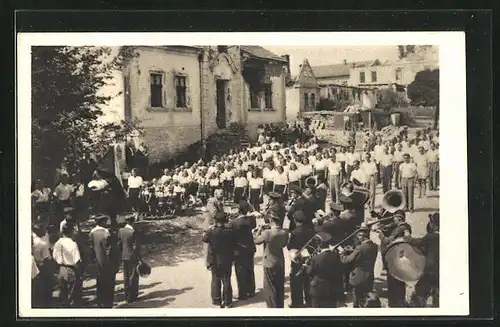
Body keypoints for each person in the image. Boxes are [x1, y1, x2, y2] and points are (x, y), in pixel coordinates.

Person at [254, 212, 289, 308]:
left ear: (271, 220)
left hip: (269, 262)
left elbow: (256, 240)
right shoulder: (284, 232)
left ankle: (272, 307)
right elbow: (284, 245)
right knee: (279, 286)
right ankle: (279, 305)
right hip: (280, 261)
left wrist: (259, 230)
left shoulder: (267, 233)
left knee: (269, 287)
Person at [377, 211, 412, 308]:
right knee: (400, 281)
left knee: (393, 282)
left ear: (399, 218)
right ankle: (400, 301)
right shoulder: (406, 226)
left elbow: (388, 241)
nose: (393, 219)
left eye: (395, 218)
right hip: (401, 258)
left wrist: (381, 234)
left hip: (394, 259)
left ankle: (394, 303)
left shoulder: (400, 229)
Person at [339, 226, 378, 308]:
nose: (357, 238)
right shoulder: (374, 246)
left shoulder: (360, 248)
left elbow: (347, 260)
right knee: (367, 298)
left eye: (359, 236)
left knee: (356, 298)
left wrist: (343, 253)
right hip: (369, 275)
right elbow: (363, 256)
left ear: (363, 236)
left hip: (358, 276)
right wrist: (354, 251)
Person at [203, 211, 235, 308]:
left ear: (216, 221)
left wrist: (210, 229)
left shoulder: (212, 232)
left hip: (215, 260)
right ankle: (227, 301)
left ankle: (217, 300)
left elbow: (204, 239)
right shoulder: (230, 231)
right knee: (227, 280)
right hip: (227, 259)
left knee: (216, 280)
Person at [407, 212, 439, 307]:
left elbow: (417, 242)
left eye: (431, 222)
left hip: (430, 270)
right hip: (440, 270)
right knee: (437, 292)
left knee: (420, 291)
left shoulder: (431, 236)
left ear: (434, 225)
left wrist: (408, 237)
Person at [287, 210, 316, 308]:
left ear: (295, 220)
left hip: (298, 259)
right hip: (309, 258)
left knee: (296, 282)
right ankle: (309, 301)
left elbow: (290, 246)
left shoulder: (295, 232)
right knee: (308, 280)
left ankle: (296, 303)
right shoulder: (311, 230)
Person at [230, 201, 257, 300]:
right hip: (250, 247)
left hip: (239, 249)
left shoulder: (234, 223)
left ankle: (243, 293)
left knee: (240, 272)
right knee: (250, 269)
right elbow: (253, 220)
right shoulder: (251, 220)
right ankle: (251, 290)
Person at [307, 239, 345, 308]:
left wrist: (307, 266)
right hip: (332, 289)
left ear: (319, 245)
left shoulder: (316, 258)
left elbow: (310, 272)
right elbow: (340, 270)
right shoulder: (336, 256)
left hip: (318, 289)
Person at [89, 215, 116, 308]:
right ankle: (108, 303)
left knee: (99, 282)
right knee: (109, 283)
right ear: (102, 222)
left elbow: (91, 248)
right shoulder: (106, 233)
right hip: (107, 262)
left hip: (97, 262)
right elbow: (110, 249)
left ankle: (100, 302)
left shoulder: (92, 232)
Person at [53, 223, 82, 307]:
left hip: (61, 269)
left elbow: (55, 257)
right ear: (71, 232)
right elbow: (76, 260)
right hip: (71, 270)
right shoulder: (72, 243)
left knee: (63, 294)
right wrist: (79, 273)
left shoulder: (58, 243)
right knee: (72, 295)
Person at [117, 214, 141, 303]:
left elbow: (119, 244)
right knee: (133, 276)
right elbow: (136, 247)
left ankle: (126, 296)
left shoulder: (120, 230)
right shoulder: (133, 232)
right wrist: (140, 259)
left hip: (124, 256)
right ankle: (132, 296)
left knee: (126, 276)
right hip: (132, 257)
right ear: (132, 221)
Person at [32, 223, 54, 308]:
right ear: (40, 231)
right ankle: (47, 304)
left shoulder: (33, 241)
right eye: (44, 229)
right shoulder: (42, 244)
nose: (46, 231)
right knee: (47, 285)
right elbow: (47, 258)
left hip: (35, 265)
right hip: (43, 265)